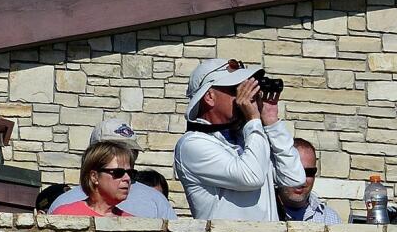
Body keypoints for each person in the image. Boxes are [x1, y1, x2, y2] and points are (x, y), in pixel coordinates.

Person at [173, 58, 306, 221]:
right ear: (209, 96)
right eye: (237, 89)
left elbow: (294, 179)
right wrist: (253, 120)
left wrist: (271, 121)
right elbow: (252, 177)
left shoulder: (248, 137)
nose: (245, 96)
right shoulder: (192, 144)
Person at [46, 119, 175, 219]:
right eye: (112, 150)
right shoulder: (63, 208)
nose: (126, 157)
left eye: (131, 152)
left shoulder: (157, 201)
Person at [52, 142, 137, 217]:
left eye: (130, 173)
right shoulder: (65, 216)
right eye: (118, 172)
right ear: (94, 177)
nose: (127, 178)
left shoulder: (132, 224)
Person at [277, 138, 341, 224]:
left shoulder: (330, 219)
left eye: (309, 172)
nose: (301, 180)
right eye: (295, 171)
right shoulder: (264, 213)